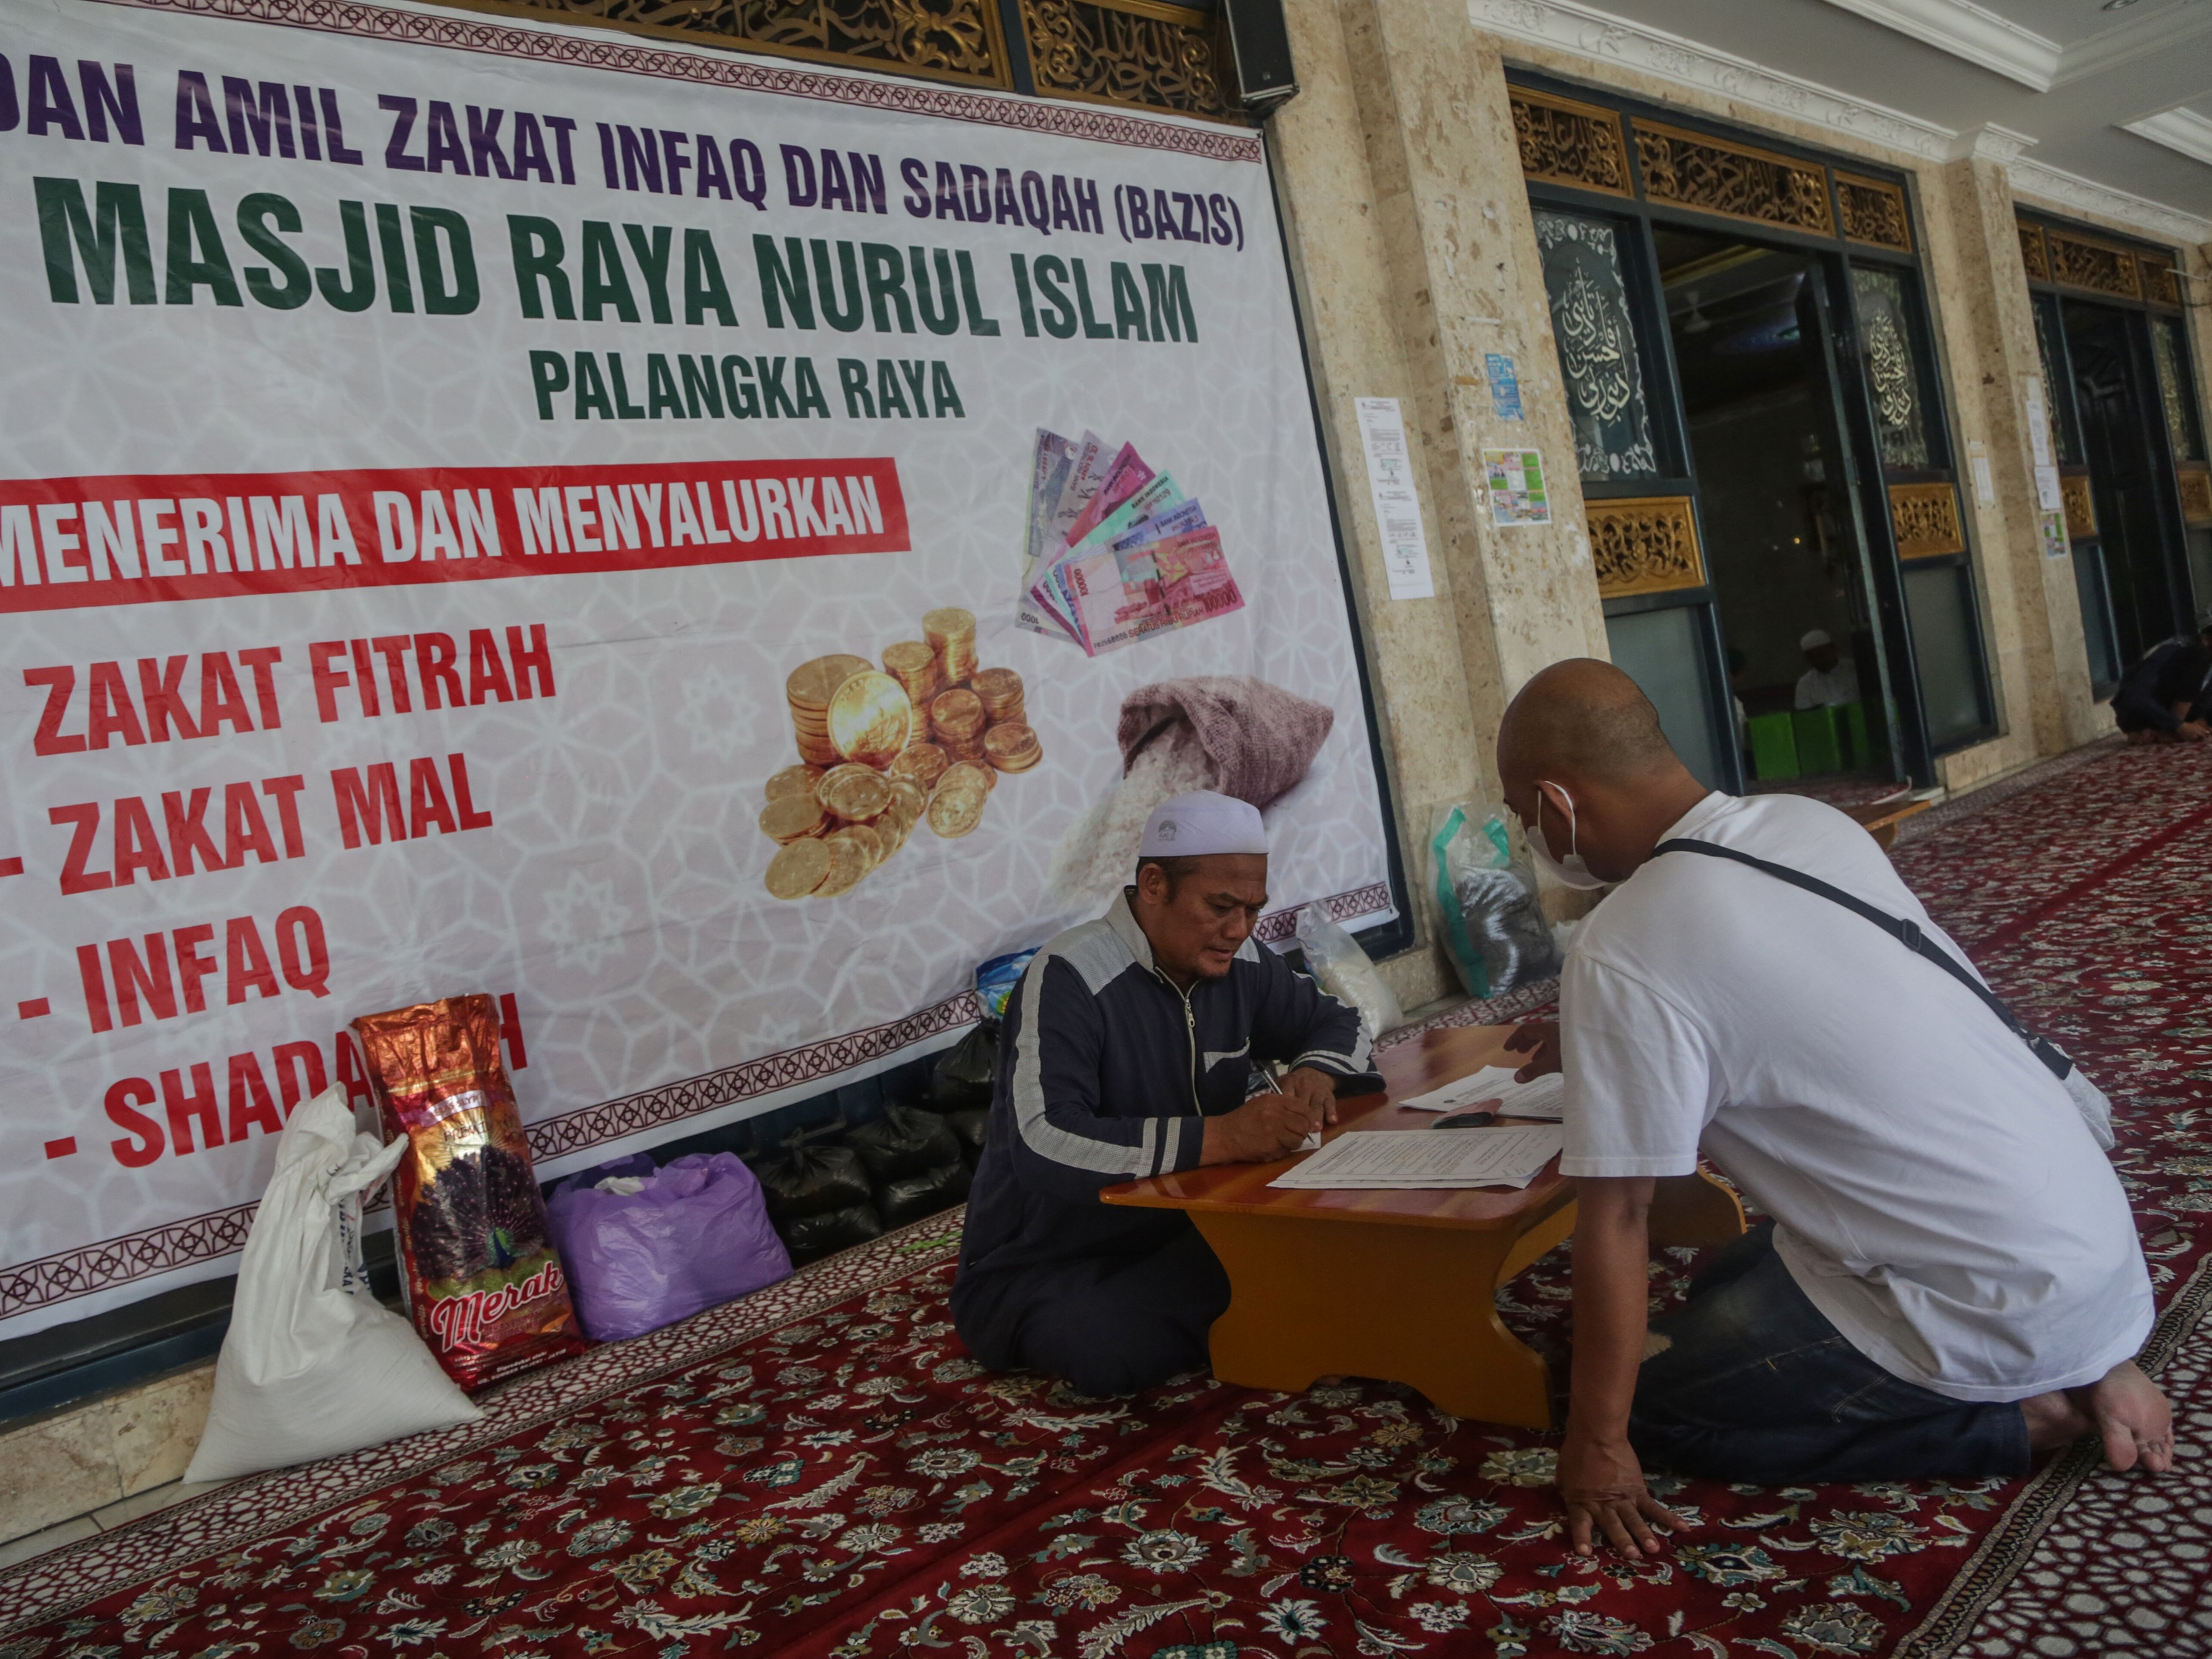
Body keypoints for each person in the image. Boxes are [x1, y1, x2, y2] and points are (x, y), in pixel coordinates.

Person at [1493, 659, 2169, 1559]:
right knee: (1727, 1275)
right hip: (2081, 1243)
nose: (1528, 836)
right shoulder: (1802, 823)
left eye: (1521, 814)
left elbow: (1616, 1214)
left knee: (1643, 1406)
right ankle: (2091, 1362)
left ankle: (2023, 1419)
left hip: (1988, 1303)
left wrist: (1597, 1445)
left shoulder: (1624, 940)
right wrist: (1594, 1034)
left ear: (1557, 802)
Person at [951, 791, 1381, 1395]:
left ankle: (1262, 1296)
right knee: (1104, 1342)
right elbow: (1043, 1140)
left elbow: (1342, 1021)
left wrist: (1315, 1072)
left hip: (1193, 1225)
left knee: (1361, 1233)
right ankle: (1268, 1300)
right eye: (1220, 906)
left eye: (1252, 910)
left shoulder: (1242, 960)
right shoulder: (1069, 976)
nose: (1238, 930)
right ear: (1154, 884)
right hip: (1053, 1258)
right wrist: (1222, 1137)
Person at [2111, 617, 2212, 743]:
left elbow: (2206, 698)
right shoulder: (2180, 651)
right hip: (2145, 714)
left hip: (2170, 715)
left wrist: (2202, 720)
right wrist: (2178, 726)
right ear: (2206, 640)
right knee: (2200, 657)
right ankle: (2164, 731)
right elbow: (2136, 696)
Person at [1793, 628, 1860, 709]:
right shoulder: (1805, 684)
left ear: (1833, 649)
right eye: (1812, 657)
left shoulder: (1856, 669)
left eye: (1822, 654)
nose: (1819, 660)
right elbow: (1806, 713)